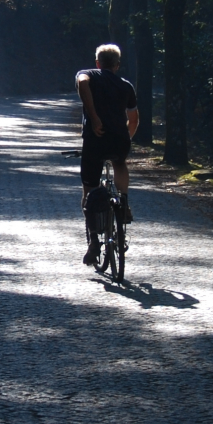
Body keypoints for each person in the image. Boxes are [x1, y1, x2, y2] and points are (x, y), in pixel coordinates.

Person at [77, 43, 139, 266]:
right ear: (117, 65)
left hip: (95, 140)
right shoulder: (126, 86)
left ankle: (94, 241)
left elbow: (82, 82)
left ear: (98, 63)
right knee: (120, 163)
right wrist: (126, 138)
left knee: (89, 190)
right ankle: (123, 202)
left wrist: (94, 118)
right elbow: (134, 120)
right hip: (119, 138)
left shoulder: (89, 74)